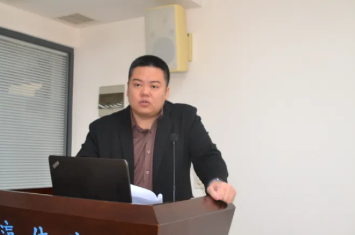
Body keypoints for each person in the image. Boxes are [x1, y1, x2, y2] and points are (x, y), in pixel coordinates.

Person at [77, 55, 236, 204]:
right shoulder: (102, 128)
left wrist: (216, 181)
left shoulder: (185, 118)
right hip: (119, 218)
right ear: (128, 89)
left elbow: (206, 155)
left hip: (171, 218)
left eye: (154, 86)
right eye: (137, 85)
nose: (145, 92)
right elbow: (81, 172)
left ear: (166, 92)